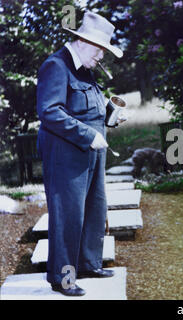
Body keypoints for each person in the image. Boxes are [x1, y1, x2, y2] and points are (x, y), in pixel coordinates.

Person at [36, 11, 124, 296]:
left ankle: (88, 263)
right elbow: (49, 112)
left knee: (94, 209)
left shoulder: (84, 69)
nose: (102, 59)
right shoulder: (56, 66)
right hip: (66, 154)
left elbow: (88, 108)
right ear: (85, 43)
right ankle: (63, 279)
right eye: (101, 52)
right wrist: (89, 135)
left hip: (91, 152)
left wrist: (111, 115)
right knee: (67, 216)